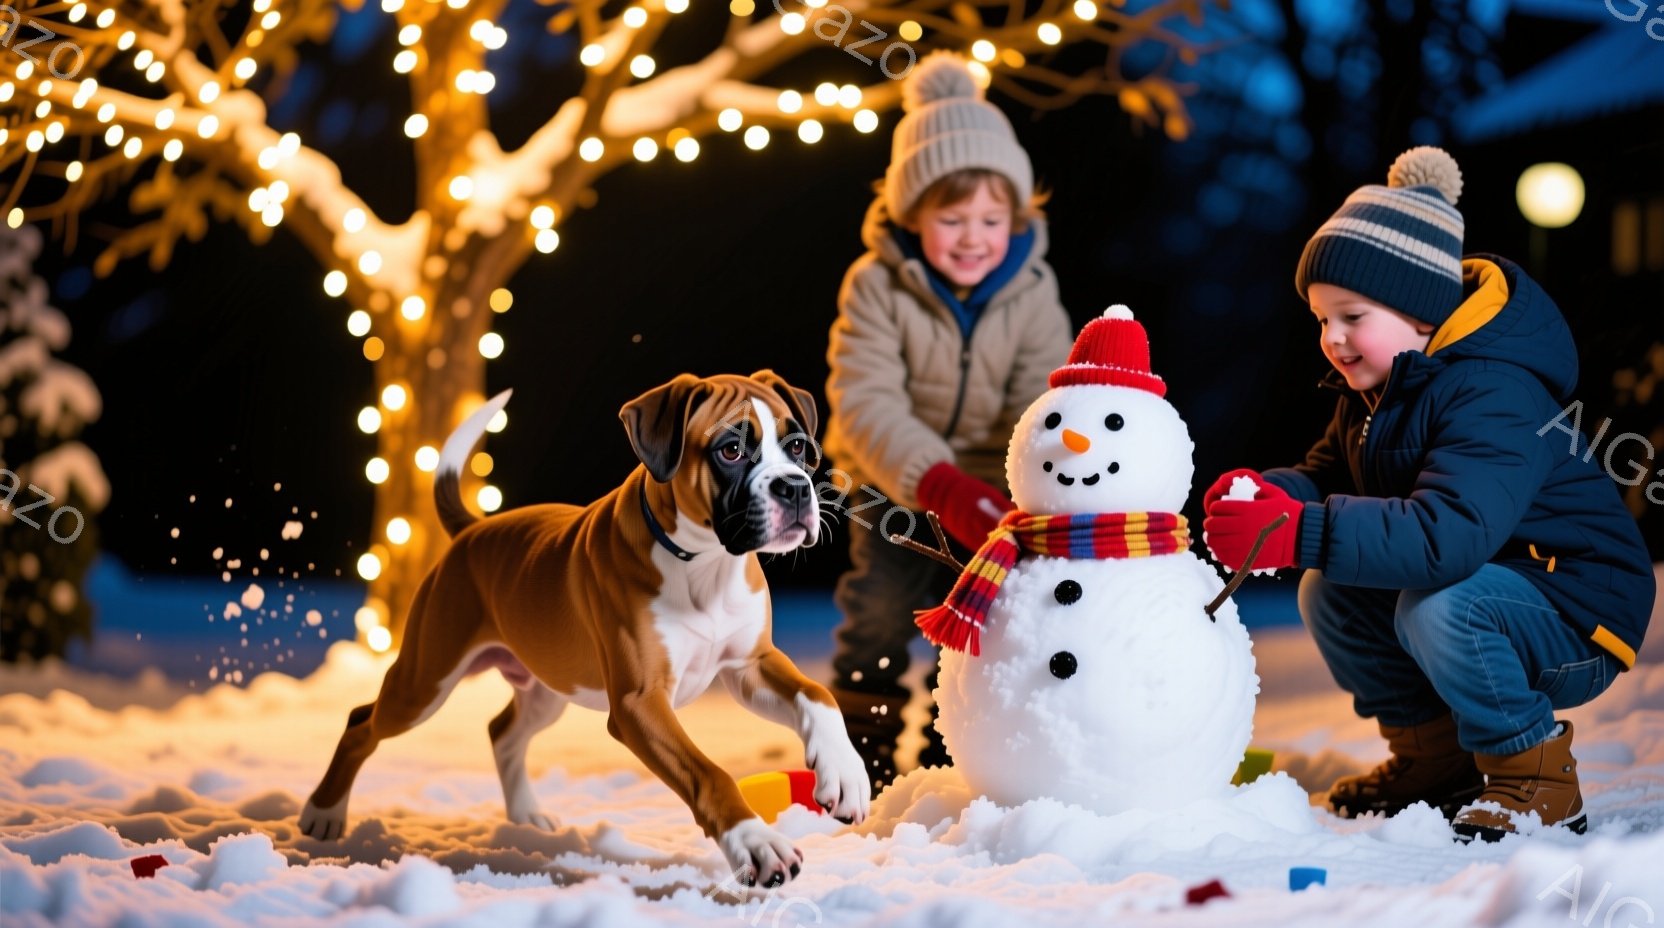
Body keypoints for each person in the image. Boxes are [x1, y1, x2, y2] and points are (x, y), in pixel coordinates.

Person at [1202, 146, 1654, 842]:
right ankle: (1436, 760)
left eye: (1351, 317)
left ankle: (1534, 776)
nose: (1332, 339)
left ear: (1420, 313)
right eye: (1322, 320)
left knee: (1439, 604)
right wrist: (1268, 499)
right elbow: (1329, 475)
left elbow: (1448, 536)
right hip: (1496, 585)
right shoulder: (1380, 391)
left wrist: (1303, 528)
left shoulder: (1492, 391)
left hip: (1579, 609)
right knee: (1333, 590)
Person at [822, 53, 1072, 793]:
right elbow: (865, 401)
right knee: (879, 611)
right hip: (893, 485)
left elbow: (1041, 399)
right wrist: (936, 483)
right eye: (951, 218)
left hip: (992, 499)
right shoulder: (875, 285)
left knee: (974, 624)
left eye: (992, 219)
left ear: (1019, 216)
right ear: (910, 216)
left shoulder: (1033, 290)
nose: (973, 237)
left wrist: (1012, 488)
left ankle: (951, 756)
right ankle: (857, 755)